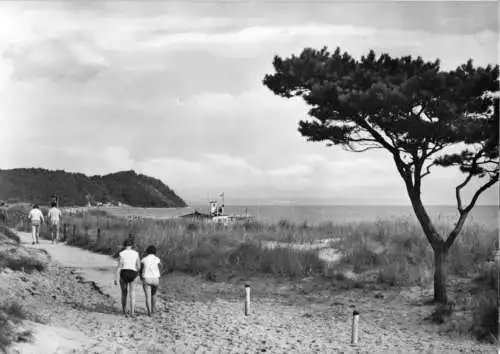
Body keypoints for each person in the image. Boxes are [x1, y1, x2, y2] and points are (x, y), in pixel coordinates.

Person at [115, 238, 141, 317]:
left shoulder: (121, 253)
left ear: (124, 245)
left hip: (124, 273)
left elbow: (119, 266)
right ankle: (132, 312)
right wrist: (137, 273)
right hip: (133, 273)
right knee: (132, 293)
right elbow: (139, 266)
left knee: (124, 293)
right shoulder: (136, 253)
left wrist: (116, 278)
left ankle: (124, 311)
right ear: (132, 246)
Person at [140, 245, 162, 316]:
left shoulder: (144, 259)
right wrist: (159, 274)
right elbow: (161, 266)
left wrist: (141, 277)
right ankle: (154, 310)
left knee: (147, 296)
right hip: (155, 278)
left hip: (146, 278)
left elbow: (141, 269)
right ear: (155, 251)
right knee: (154, 295)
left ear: (147, 251)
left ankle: (149, 312)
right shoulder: (157, 259)